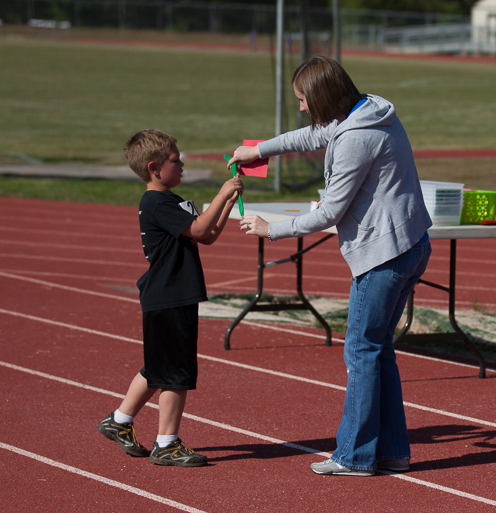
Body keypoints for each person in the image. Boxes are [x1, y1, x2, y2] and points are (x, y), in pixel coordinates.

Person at [229, 56, 432, 476]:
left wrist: (272, 229)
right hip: (410, 245)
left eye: (304, 99)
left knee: (361, 350)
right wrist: (259, 150)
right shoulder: (367, 110)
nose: (301, 107)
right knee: (378, 351)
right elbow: (312, 134)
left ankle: (354, 456)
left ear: (322, 96)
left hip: (385, 256)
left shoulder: (358, 139)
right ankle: (392, 451)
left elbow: (330, 213)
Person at [98, 129, 243, 467]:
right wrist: (222, 194)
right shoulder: (156, 202)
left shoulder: (169, 202)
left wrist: (227, 205)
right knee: (176, 372)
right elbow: (196, 230)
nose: (182, 166)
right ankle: (166, 443)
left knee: (160, 367)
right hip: (170, 295)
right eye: (175, 161)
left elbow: (205, 235)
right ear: (154, 168)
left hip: (170, 294)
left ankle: (119, 421)